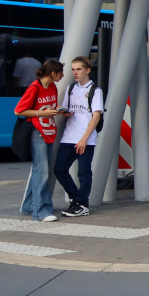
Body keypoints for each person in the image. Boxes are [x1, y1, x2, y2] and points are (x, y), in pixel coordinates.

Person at [15, 59, 64, 222]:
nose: (63, 76)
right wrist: (41, 114)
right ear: (53, 74)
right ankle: (41, 211)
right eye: (61, 73)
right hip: (38, 133)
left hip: (49, 131)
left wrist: (58, 111)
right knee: (42, 172)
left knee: (42, 171)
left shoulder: (52, 87)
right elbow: (19, 110)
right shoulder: (34, 87)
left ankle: (29, 206)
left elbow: (49, 108)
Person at [54, 56, 102, 217]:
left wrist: (84, 139)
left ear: (87, 70)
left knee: (84, 173)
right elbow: (68, 110)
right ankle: (77, 200)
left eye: (79, 69)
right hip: (68, 137)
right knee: (59, 169)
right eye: (73, 69)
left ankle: (82, 205)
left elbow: (96, 117)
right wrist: (64, 112)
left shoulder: (96, 90)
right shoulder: (71, 88)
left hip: (86, 139)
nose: (75, 72)